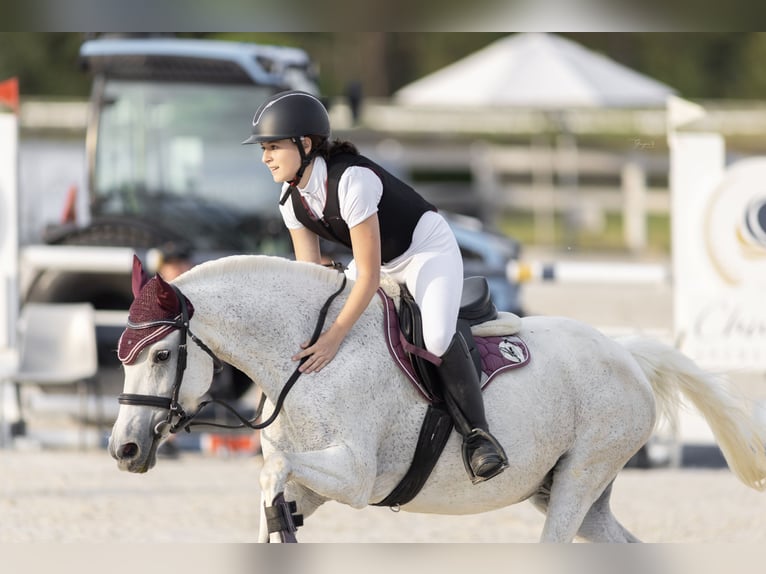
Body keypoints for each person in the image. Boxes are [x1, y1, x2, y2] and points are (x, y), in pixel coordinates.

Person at [242, 90, 508, 483]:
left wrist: (333, 337)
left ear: (306, 144)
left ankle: (478, 436)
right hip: (379, 261)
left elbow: (367, 278)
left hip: (424, 251)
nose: (265, 157)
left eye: (274, 147)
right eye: (264, 148)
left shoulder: (352, 180)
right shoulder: (290, 200)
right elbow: (308, 272)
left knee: (435, 337)